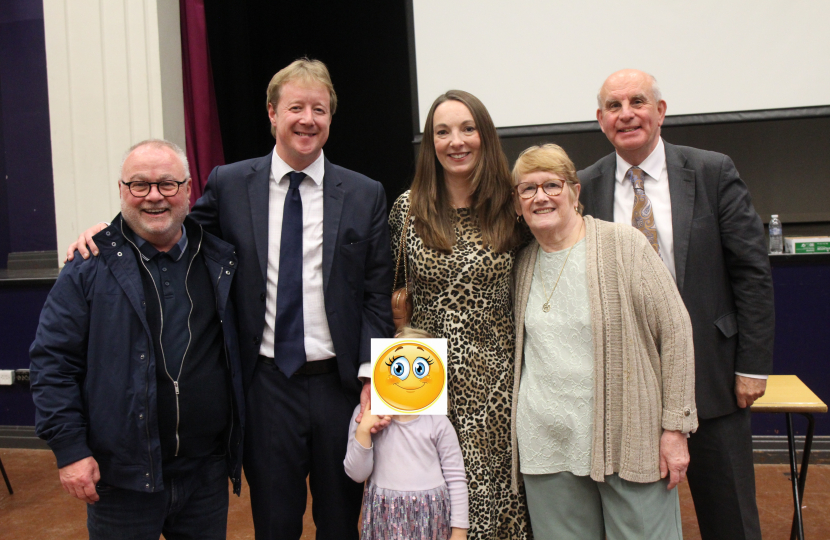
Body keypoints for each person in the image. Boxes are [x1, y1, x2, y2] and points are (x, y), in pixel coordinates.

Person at [65, 58, 395, 540]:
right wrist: (109, 230)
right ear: (271, 113)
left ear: (330, 118)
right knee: (275, 522)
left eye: (319, 109)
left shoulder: (366, 194)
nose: (308, 119)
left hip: (340, 388)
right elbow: (169, 227)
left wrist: (371, 378)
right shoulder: (229, 183)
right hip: (265, 387)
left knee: (342, 522)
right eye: (296, 107)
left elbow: (375, 295)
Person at [579, 69, 775, 540]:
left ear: (660, 111)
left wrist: (752, 365)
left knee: (731, 518)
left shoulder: (711, 171)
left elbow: (751, 272)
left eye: (638, 102)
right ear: (601, 120)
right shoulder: (584, 187)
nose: (626, 114)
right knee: (637, 523)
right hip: (627, 382)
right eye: (613, 106)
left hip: (713, 376)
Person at [30, 139, 245, 539]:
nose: (153, 197)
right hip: (122, 481)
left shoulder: (221, 260)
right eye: (139, 185)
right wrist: (70, 450)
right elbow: (52, 364)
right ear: (121, 190)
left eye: (166, 184)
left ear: (188, 190)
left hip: (204, 475)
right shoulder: (88, 267)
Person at [510, 143, 698, 540]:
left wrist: (675, 428)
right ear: (517, 203)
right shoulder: (521, 262)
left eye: (551, 185)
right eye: (527, 189)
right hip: (546, 443)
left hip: (629, 436)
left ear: (576, 193)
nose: (540, 196)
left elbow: (677, 331)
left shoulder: (624, 244)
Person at [389, 90, 531, 539]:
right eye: (443, 131)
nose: (457, 141)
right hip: (428, 379)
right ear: (430, 143)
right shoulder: (406, 210)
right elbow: (390, 297)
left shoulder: (514, 207)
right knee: (438, 496)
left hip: (502, 381)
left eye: (467, 128)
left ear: (484, 135)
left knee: (503, 495)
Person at [344, 326, 468, 540]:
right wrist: (364, 431)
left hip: (431, 519)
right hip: (385, 519)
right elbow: (356, 474)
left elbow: (456, 478)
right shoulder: (365, 414)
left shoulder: (438, 423)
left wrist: (459, 530)